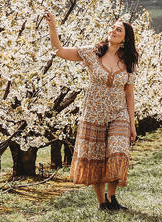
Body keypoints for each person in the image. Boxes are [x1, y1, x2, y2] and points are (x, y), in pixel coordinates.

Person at [45, 13, 138, 211]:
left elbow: (129, 94)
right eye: (112, 27)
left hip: (118, 114)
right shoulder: (92, 52)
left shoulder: (129, 61)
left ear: (126, 38)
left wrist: (132, 122)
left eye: (118, 29)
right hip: (94, 114)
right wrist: (53, 26)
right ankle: (102, 203)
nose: (113, 31)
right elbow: (59, 50)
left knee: (117, 152)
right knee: (96, 157)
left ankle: (112, 198)